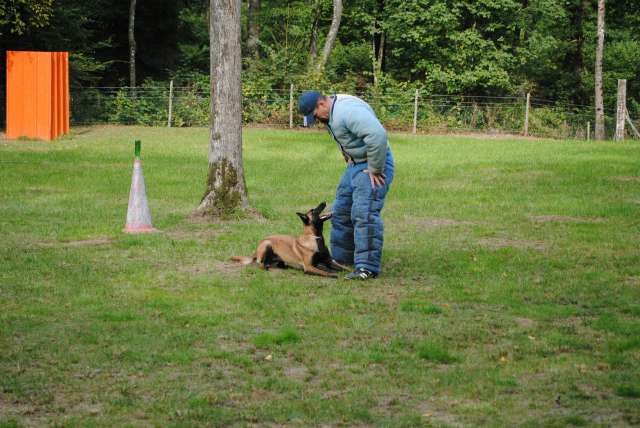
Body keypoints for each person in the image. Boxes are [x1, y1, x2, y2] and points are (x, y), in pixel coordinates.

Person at [298, 91, 395, 280]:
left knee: (363, 212)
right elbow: (347, 136)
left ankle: (366, 268)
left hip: (374, 163)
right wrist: (348, 156)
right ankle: (344, 260)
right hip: (356, 164)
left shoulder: (346, 111)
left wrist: (375, 168)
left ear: (321, 105)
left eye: (315, 116)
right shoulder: (332, 112)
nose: (316, 120)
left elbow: (377, 135)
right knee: (341, 211)